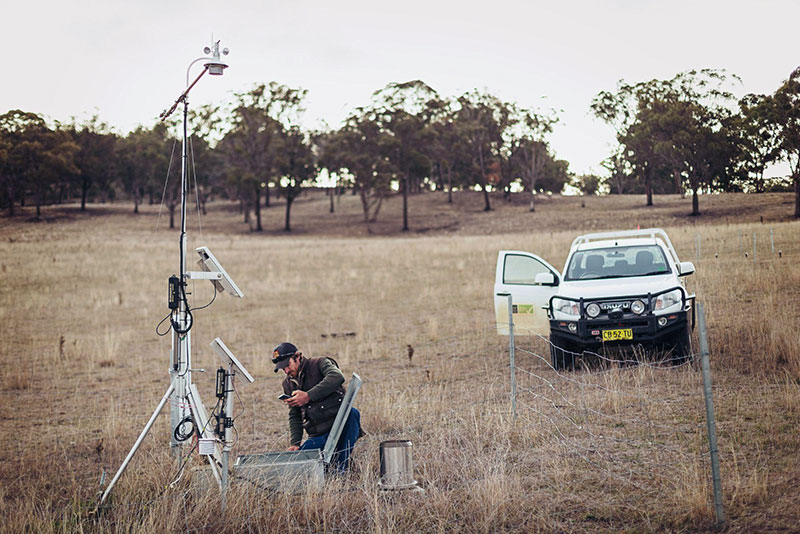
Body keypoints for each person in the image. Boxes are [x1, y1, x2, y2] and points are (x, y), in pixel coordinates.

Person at [272, 342, 363, 472]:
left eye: (287, 365)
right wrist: (295, 443)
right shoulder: (288, 384)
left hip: (339, 426)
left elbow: (337, 377)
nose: (286, 371)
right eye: (282, 369)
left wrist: (308, 396)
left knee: (353, 413)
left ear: (297, 357)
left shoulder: (320, 363)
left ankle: (341, 468)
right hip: (318, 434)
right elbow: (295, 415)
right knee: (299, 467)